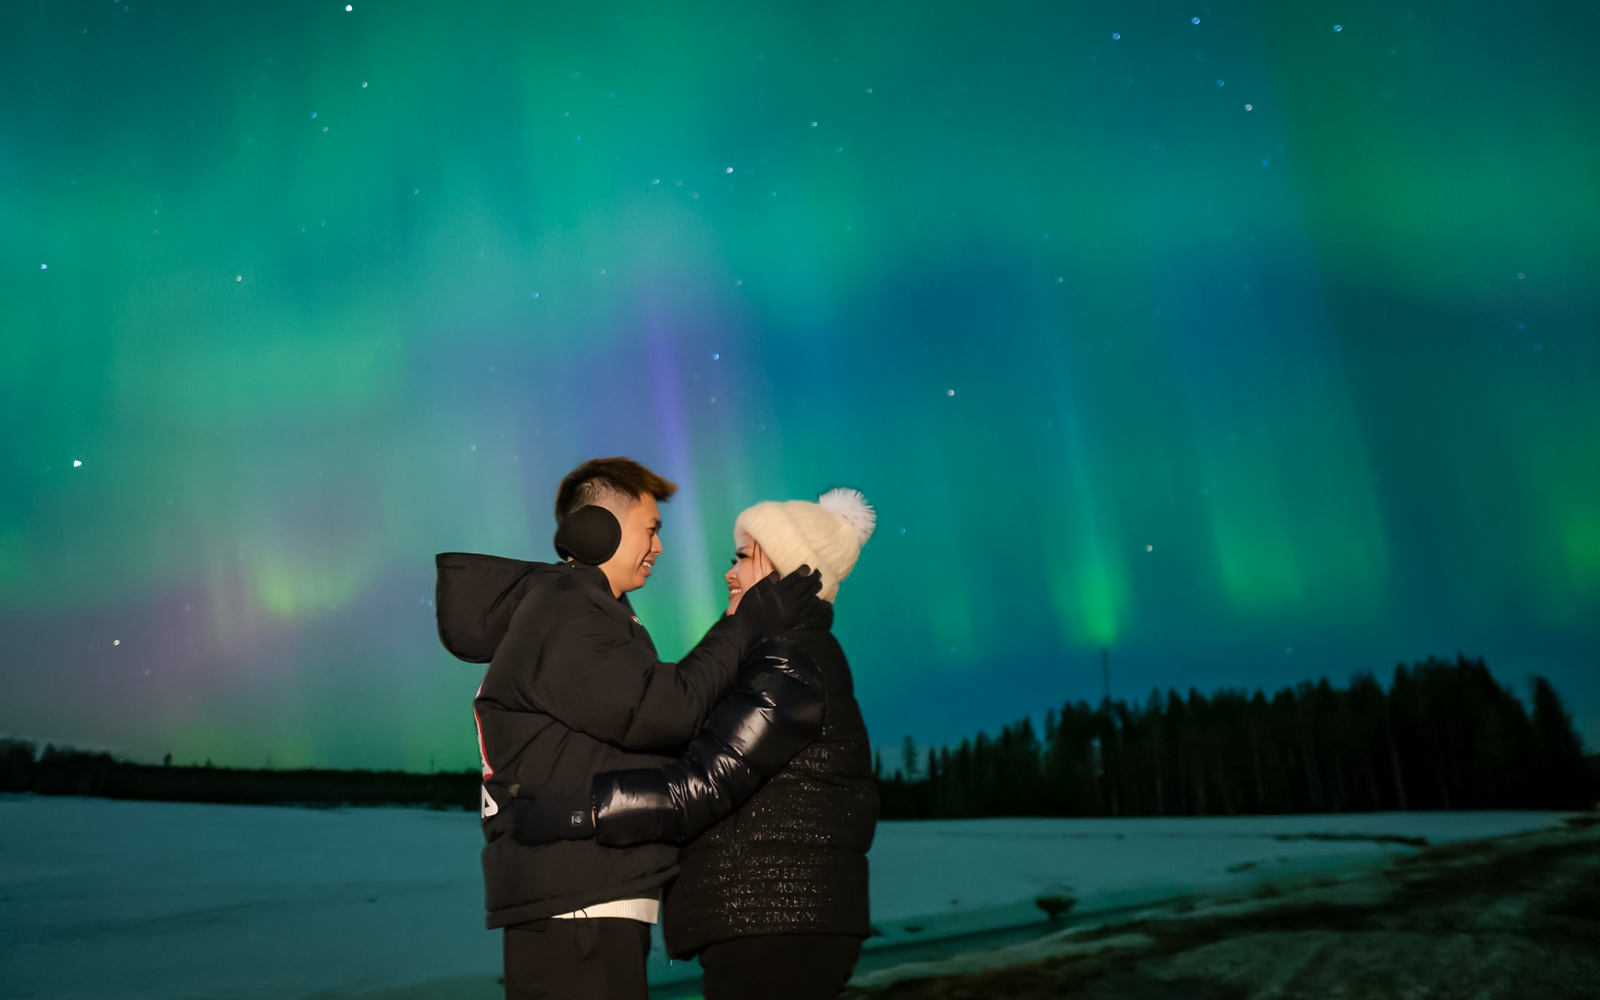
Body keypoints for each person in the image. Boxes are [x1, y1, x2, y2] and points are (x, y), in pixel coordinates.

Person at [434, 457, 823, 1000]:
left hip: (587, 893)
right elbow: (664, 709)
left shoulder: (590, 613)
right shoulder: (565, 613)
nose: (658, 547)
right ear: (600, 529)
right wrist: (743, 625)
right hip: (576, 902)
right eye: (651, 529)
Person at [514, 488, 879, 1000]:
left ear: (788, 573)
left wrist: (581, 810)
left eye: (743, 557)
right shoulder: (777, 655)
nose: (729, 573)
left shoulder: (788, 660)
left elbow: (704, 782)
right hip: (772, 918)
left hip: (777, 922)